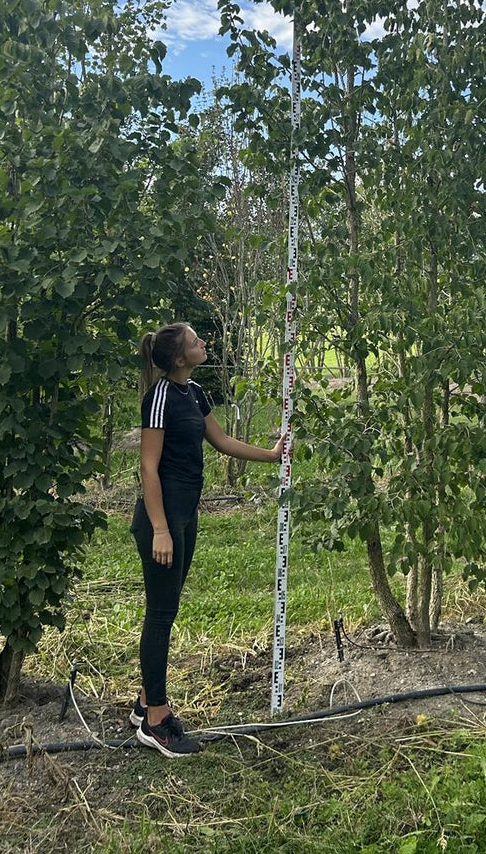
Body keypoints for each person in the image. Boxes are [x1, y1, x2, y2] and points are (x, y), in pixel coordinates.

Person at [129, 321, 285, 757]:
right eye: (196, 342)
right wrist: (160, 528)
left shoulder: (194, 393)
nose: (204, 344)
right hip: (161, 521)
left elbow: (220, 440)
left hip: (184, 518)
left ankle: (145, 702)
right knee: (160, 614)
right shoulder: (157, 398)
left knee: (169, 607)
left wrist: (270, 456)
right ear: (179, 358)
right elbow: (148, 468)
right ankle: (157, 721)